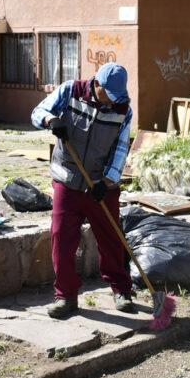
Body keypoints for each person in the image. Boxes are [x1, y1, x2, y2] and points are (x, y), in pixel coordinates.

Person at [31, 62, 135, 319]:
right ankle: (65, 296)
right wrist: (51, 120)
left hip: (101, 185)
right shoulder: (70, 91)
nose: (113, 100)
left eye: (117, 95)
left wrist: (107, 182)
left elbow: (120, 149)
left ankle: (121, 290)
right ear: (97, 83)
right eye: (109, 94)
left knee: (111, 238)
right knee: (61, 238)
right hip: (67, 181)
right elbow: (38, 112)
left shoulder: (123, 109)